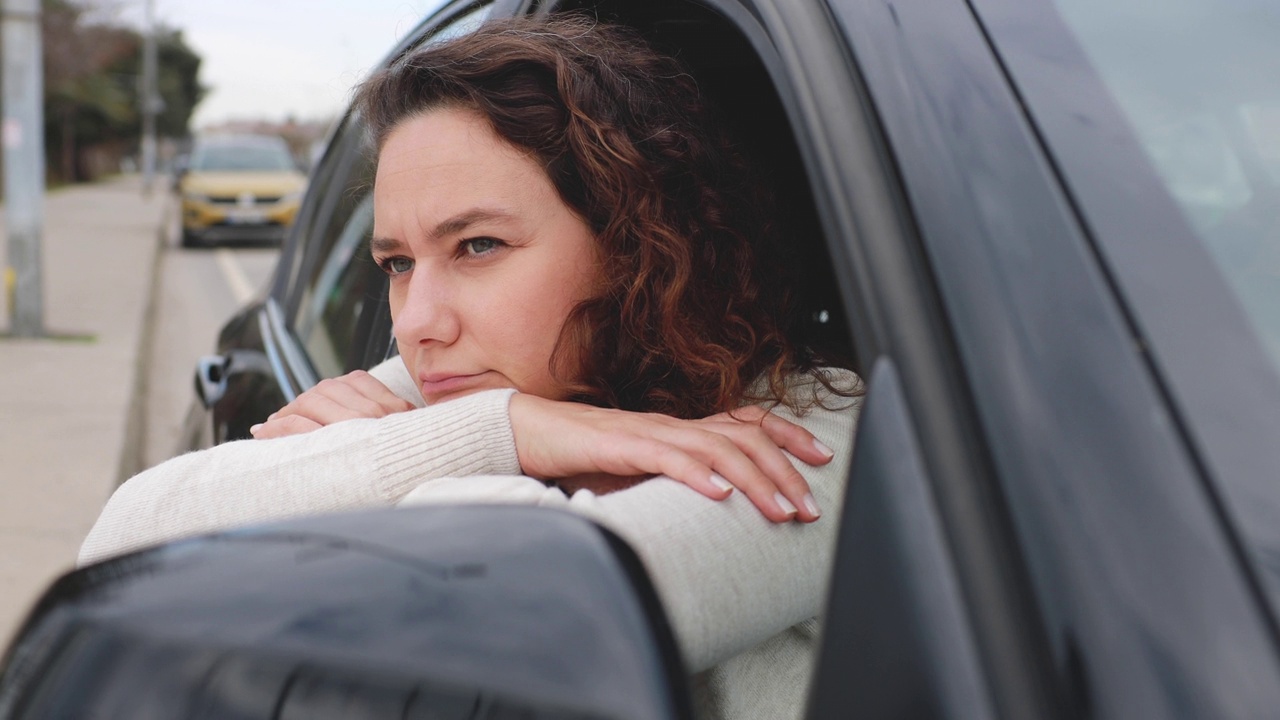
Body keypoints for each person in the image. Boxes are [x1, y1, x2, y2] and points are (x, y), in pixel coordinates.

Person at [80, 14, 861, 720]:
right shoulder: (469, 387)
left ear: (636, 246)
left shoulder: (813, 432)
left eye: (478, 246)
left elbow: (519, 622)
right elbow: (118, 547)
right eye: (395, 263)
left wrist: (366, 464)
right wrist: (504, 431)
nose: (417, 324)